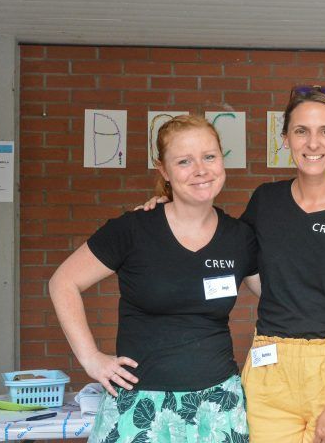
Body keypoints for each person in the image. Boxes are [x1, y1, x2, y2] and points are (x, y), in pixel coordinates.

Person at [142, 86, 325, 443]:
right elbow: (220, 241)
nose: (313, 143)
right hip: (272, 365)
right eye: (301, 131)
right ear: (285, 139)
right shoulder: (266, 201)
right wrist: (166, 205)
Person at [49, 115, 257, 443]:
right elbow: (63, 282)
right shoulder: (134, 230)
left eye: (209, 156)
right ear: (164, 170)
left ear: (222, 159)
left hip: (216, 406)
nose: (201, 170)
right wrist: (91, 358)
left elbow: (279, 298)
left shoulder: (240, 237)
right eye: (184, 161)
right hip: (140, 404)